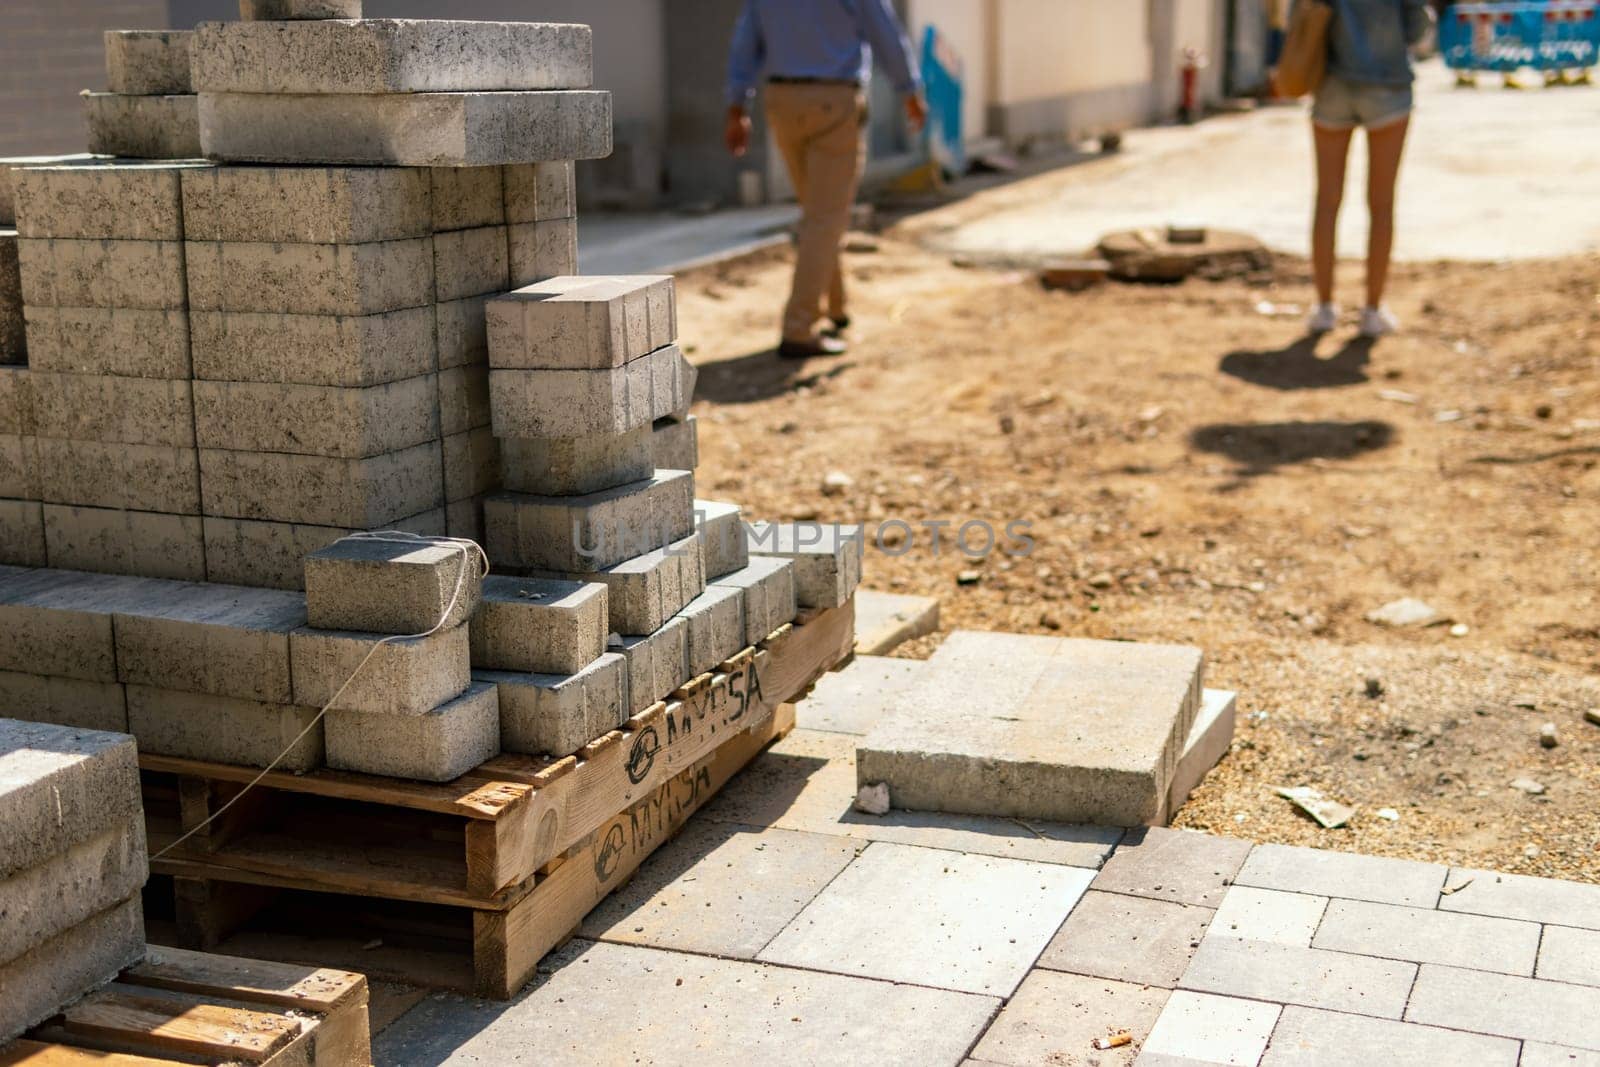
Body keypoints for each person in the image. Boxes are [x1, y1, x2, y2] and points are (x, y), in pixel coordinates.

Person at [724, 0, 927, 359]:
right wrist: (909, 91)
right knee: (825, 216)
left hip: (782, 102)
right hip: (834, 101)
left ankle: (836, 305)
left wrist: (737, 107)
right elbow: (887, 35)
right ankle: (798, 329)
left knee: (817, 210)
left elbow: (745, 43)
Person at [1306, 0, 1433, 338]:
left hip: (1331, 86)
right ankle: (1373, 311)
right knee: (1381, 204)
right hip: (1388, 89)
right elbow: (1418, 28)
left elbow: (1301, 17)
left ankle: (1324, 308)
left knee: (1327, 200)